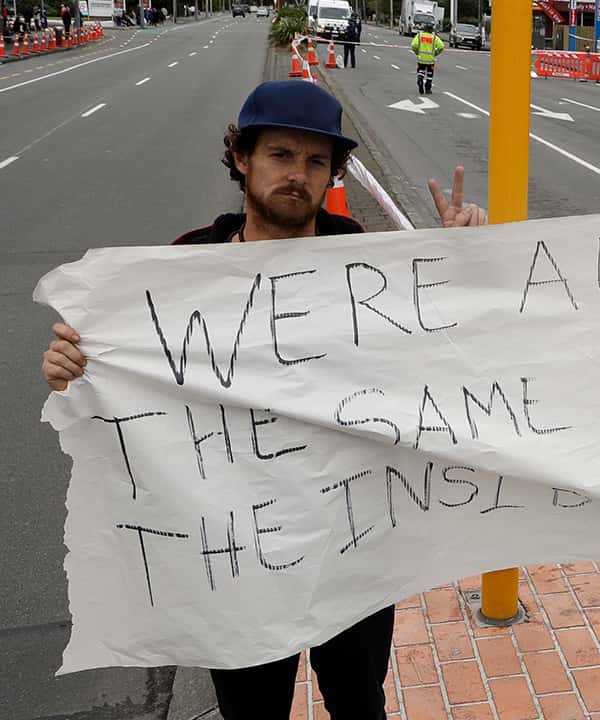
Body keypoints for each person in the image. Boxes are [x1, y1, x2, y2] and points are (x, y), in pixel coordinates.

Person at [40, 80, 486, 720]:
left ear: (332, 172)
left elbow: (451, 362)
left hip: (350, 544)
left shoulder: (371, 267)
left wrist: (461, 269)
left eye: (315, 161)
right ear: (242, 158)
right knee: (252, 710)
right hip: (236, 555)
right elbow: (120, 388)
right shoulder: (180, 269)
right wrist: (73, 372)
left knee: (359, 702)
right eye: (280, 155)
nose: (297, 175)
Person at [410, 16, 444, 95]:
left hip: (421, 58)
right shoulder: (434, 37)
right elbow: (441, 46)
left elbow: (414, 45)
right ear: (431, 30)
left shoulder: (419, 36)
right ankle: (428, 89)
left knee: (421, 71)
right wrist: (436, 53)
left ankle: (420, 79)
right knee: (429, 74)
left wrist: (417, 52)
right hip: (430, 59)